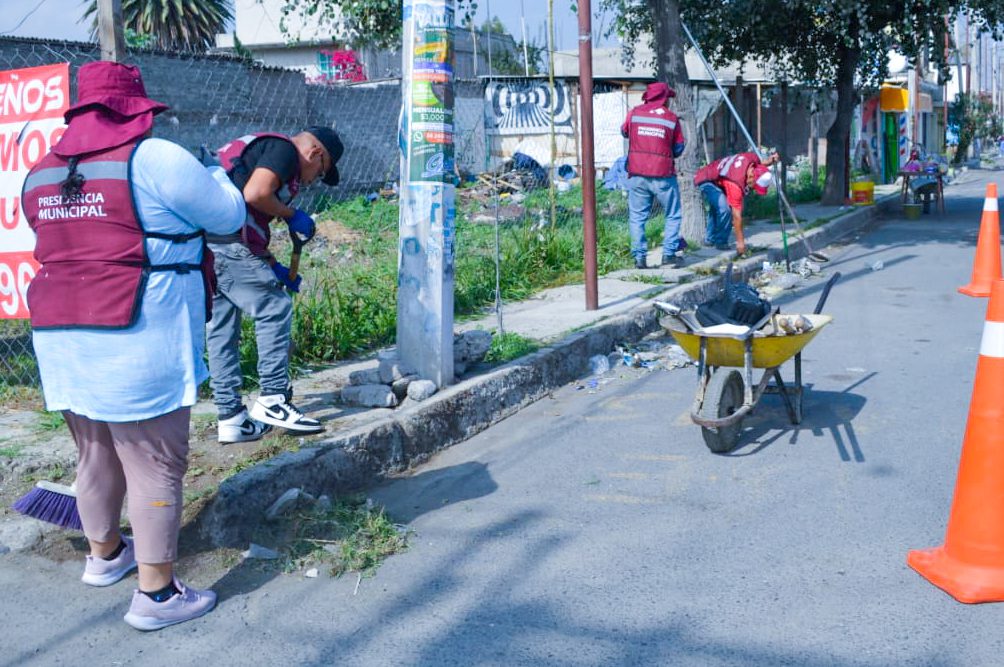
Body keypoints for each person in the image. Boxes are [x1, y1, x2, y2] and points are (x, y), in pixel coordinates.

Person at [23, 61, 247, 630]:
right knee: (154, 462)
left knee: (94, 449)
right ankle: (158, 595)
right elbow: (227, 218)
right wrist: (217, 173)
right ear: (137, 110)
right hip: (136, 329)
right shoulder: (155, 159)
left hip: (60, 333)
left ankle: (105, 557)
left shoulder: (41, 172)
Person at [206, 127, 343, 443]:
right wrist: (291, 213)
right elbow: (255, 194)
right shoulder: (284, 151)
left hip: (211, 243)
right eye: (318, 174)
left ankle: (230, 417)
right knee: (274, 306)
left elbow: (247, 218)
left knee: (222, 328)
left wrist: (273, 266)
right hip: (228, 243)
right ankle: (273, 399)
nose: (310, 182)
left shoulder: (259, 148)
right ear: (315, 154)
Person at [621, 81, 686, 269]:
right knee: (673, 214)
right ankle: (668, 255)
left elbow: (624, 132)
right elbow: (679, 148)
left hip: (637, 173)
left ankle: (639, 259)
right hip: (663, 175)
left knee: (637, 217)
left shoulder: (634, 113)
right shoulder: (671, 119)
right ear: (665, 99)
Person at [693, 151, 779, 255]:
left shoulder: (752, 159)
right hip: (706, 179)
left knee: (717, 207)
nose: (753, 189)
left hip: (717, 176)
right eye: (754, 186)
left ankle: (709, 239)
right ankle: (721, 241)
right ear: (751, 176)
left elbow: (759, 164)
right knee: (724, 209)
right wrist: (740, 242)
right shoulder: (736, 184)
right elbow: (736, 216)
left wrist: (769, 162)